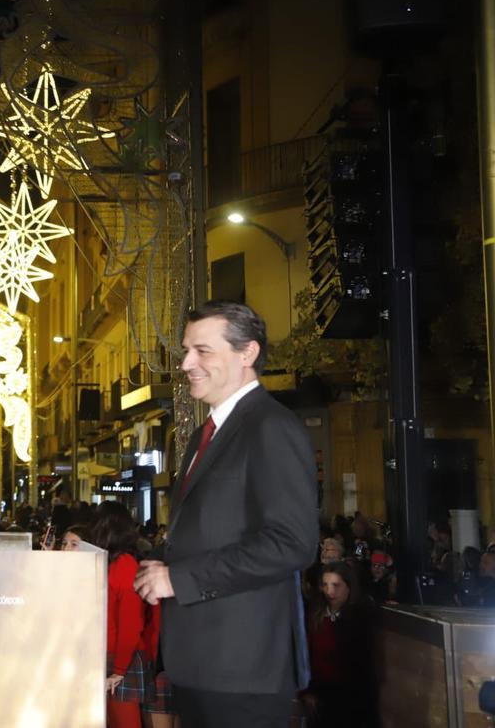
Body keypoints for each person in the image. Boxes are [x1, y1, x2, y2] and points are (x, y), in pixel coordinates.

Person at [134, 301, 318, 728]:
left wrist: (177, 578)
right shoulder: (206, 432)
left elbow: (291, 544)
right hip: (204, 663)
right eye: (186, 350)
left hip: (243, 670)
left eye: (203, 351)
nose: (185, 363)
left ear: (247, 353)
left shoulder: (270, 426)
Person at [92, 505, 149, 728]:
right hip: (110, 656)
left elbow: (131, 622)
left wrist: (119, 670)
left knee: (124, 721)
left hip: (119, 658)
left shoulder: (123, 564)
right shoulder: (110, 562)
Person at [303, 562, 378, 727]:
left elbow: (363, 665)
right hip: (319, 696)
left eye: (336, 585)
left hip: (351, 700)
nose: (330, 592)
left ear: (349, 587)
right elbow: (307, 656)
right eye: (325, 585)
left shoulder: (360, 619)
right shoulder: (315, 616)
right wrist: (308, 691)